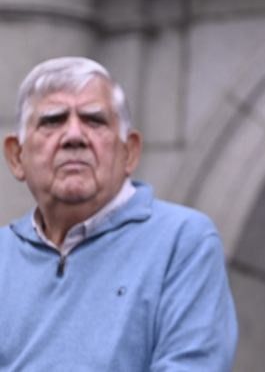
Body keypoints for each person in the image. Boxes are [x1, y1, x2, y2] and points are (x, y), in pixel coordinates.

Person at [1, 56, 237, 371]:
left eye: (94, 120)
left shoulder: (183, 242)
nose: (74, 136)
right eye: (53, 121)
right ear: (16, 156)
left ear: (130, 152)